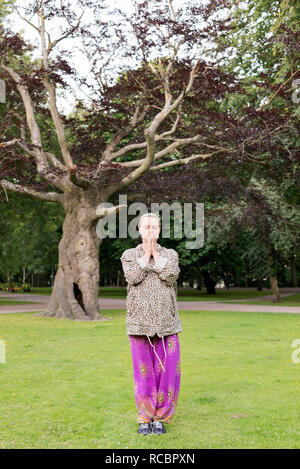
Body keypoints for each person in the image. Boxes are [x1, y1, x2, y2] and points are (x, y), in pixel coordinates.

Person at [120, 213, 183, 435]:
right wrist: (146, 255)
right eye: (146, 227)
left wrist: (156, 254)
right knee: (144, 373)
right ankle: (144, 418)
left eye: (154, 227)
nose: (150, 231)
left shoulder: (171, 254)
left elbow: (171, 275)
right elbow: (133, 277)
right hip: (140, 324)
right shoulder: (129, 255)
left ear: (159, 230)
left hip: (167, 323)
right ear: (139, 229)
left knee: (167, 373)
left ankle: (160, 418)